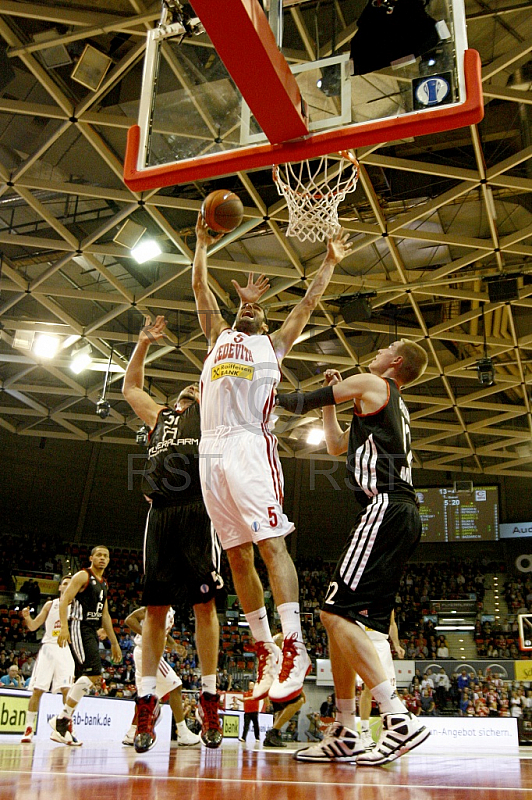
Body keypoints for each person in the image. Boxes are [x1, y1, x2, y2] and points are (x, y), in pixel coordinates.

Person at [192, 213, 353, 703]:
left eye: (258, 314)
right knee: (236, 553)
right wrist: (202, 243)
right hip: (210, 448)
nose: (250, 315)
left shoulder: (273, 344)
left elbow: (308, 302)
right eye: (246, 311)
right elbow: (200, 289)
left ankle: (293, 644)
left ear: (263, 322)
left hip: (248, 443)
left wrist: (328, 262)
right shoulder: (218, 335)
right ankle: (264, 647)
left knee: (268, 545)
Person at [275, 338, 430, 765]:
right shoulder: (386, 400)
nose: (379, 348)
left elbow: (299, 399)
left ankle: (397, 719)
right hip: (399, 512)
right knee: (341, 621)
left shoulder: (372, 382)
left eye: (388, 347)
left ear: (395, 362)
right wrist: (333, 405)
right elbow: (337, 446)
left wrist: (258, 393)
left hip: (384, 506)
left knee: (332, 613)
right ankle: (345, 730)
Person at [122, 320, 223, 751]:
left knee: (204, 606)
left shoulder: (214, 415)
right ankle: (146, 701)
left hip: (200, 510)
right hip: (161, 513)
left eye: (196, 391)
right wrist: (143, 344)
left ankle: (211, 697)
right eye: (186, 393)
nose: (191, 394)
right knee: (155, 610)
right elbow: (130, 388)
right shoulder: (160, 418)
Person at [49, 545, 122, 746]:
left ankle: (62, 721)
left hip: (91, 629)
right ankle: (61, 721)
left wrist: (114, 643)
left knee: (92, 674)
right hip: (79, 626)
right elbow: (64, 601)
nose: (102, 558)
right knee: (93, 672)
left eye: (106, 556)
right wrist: (64, 627)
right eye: (98, 555)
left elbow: (105, 615)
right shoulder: (83, 576)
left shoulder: (104, 584)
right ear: (91, 557)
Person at [121, 606, 200, 748]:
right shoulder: (154, 606)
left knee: (144, 697)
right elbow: (129, 620)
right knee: (176, 685)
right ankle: (183, 732)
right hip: (148, 652)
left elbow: (163, 633)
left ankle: (132, 732)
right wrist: (147, 635)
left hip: (144, 652)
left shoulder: (169, 610)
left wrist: (174, 645)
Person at [19, 575, 75, 743]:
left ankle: (66, 730)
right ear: (59, 587)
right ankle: (28, 729)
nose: (67, 585)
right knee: (38, 690)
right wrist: (27, 617)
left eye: (71, 583)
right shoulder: (50, 604)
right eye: (64, 583)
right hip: (49, 648)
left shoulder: (78, 606)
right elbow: (34, 626)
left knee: (68, 690)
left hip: (65, 649)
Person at [358, 610, 404, 751]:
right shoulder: (358, 599)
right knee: (367, 689)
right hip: (364, 643)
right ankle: (364, 733)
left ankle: (396, 730)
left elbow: (391, 623)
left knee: (391, 690)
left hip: (382, 645)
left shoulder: (386, 599)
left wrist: (396, 644)